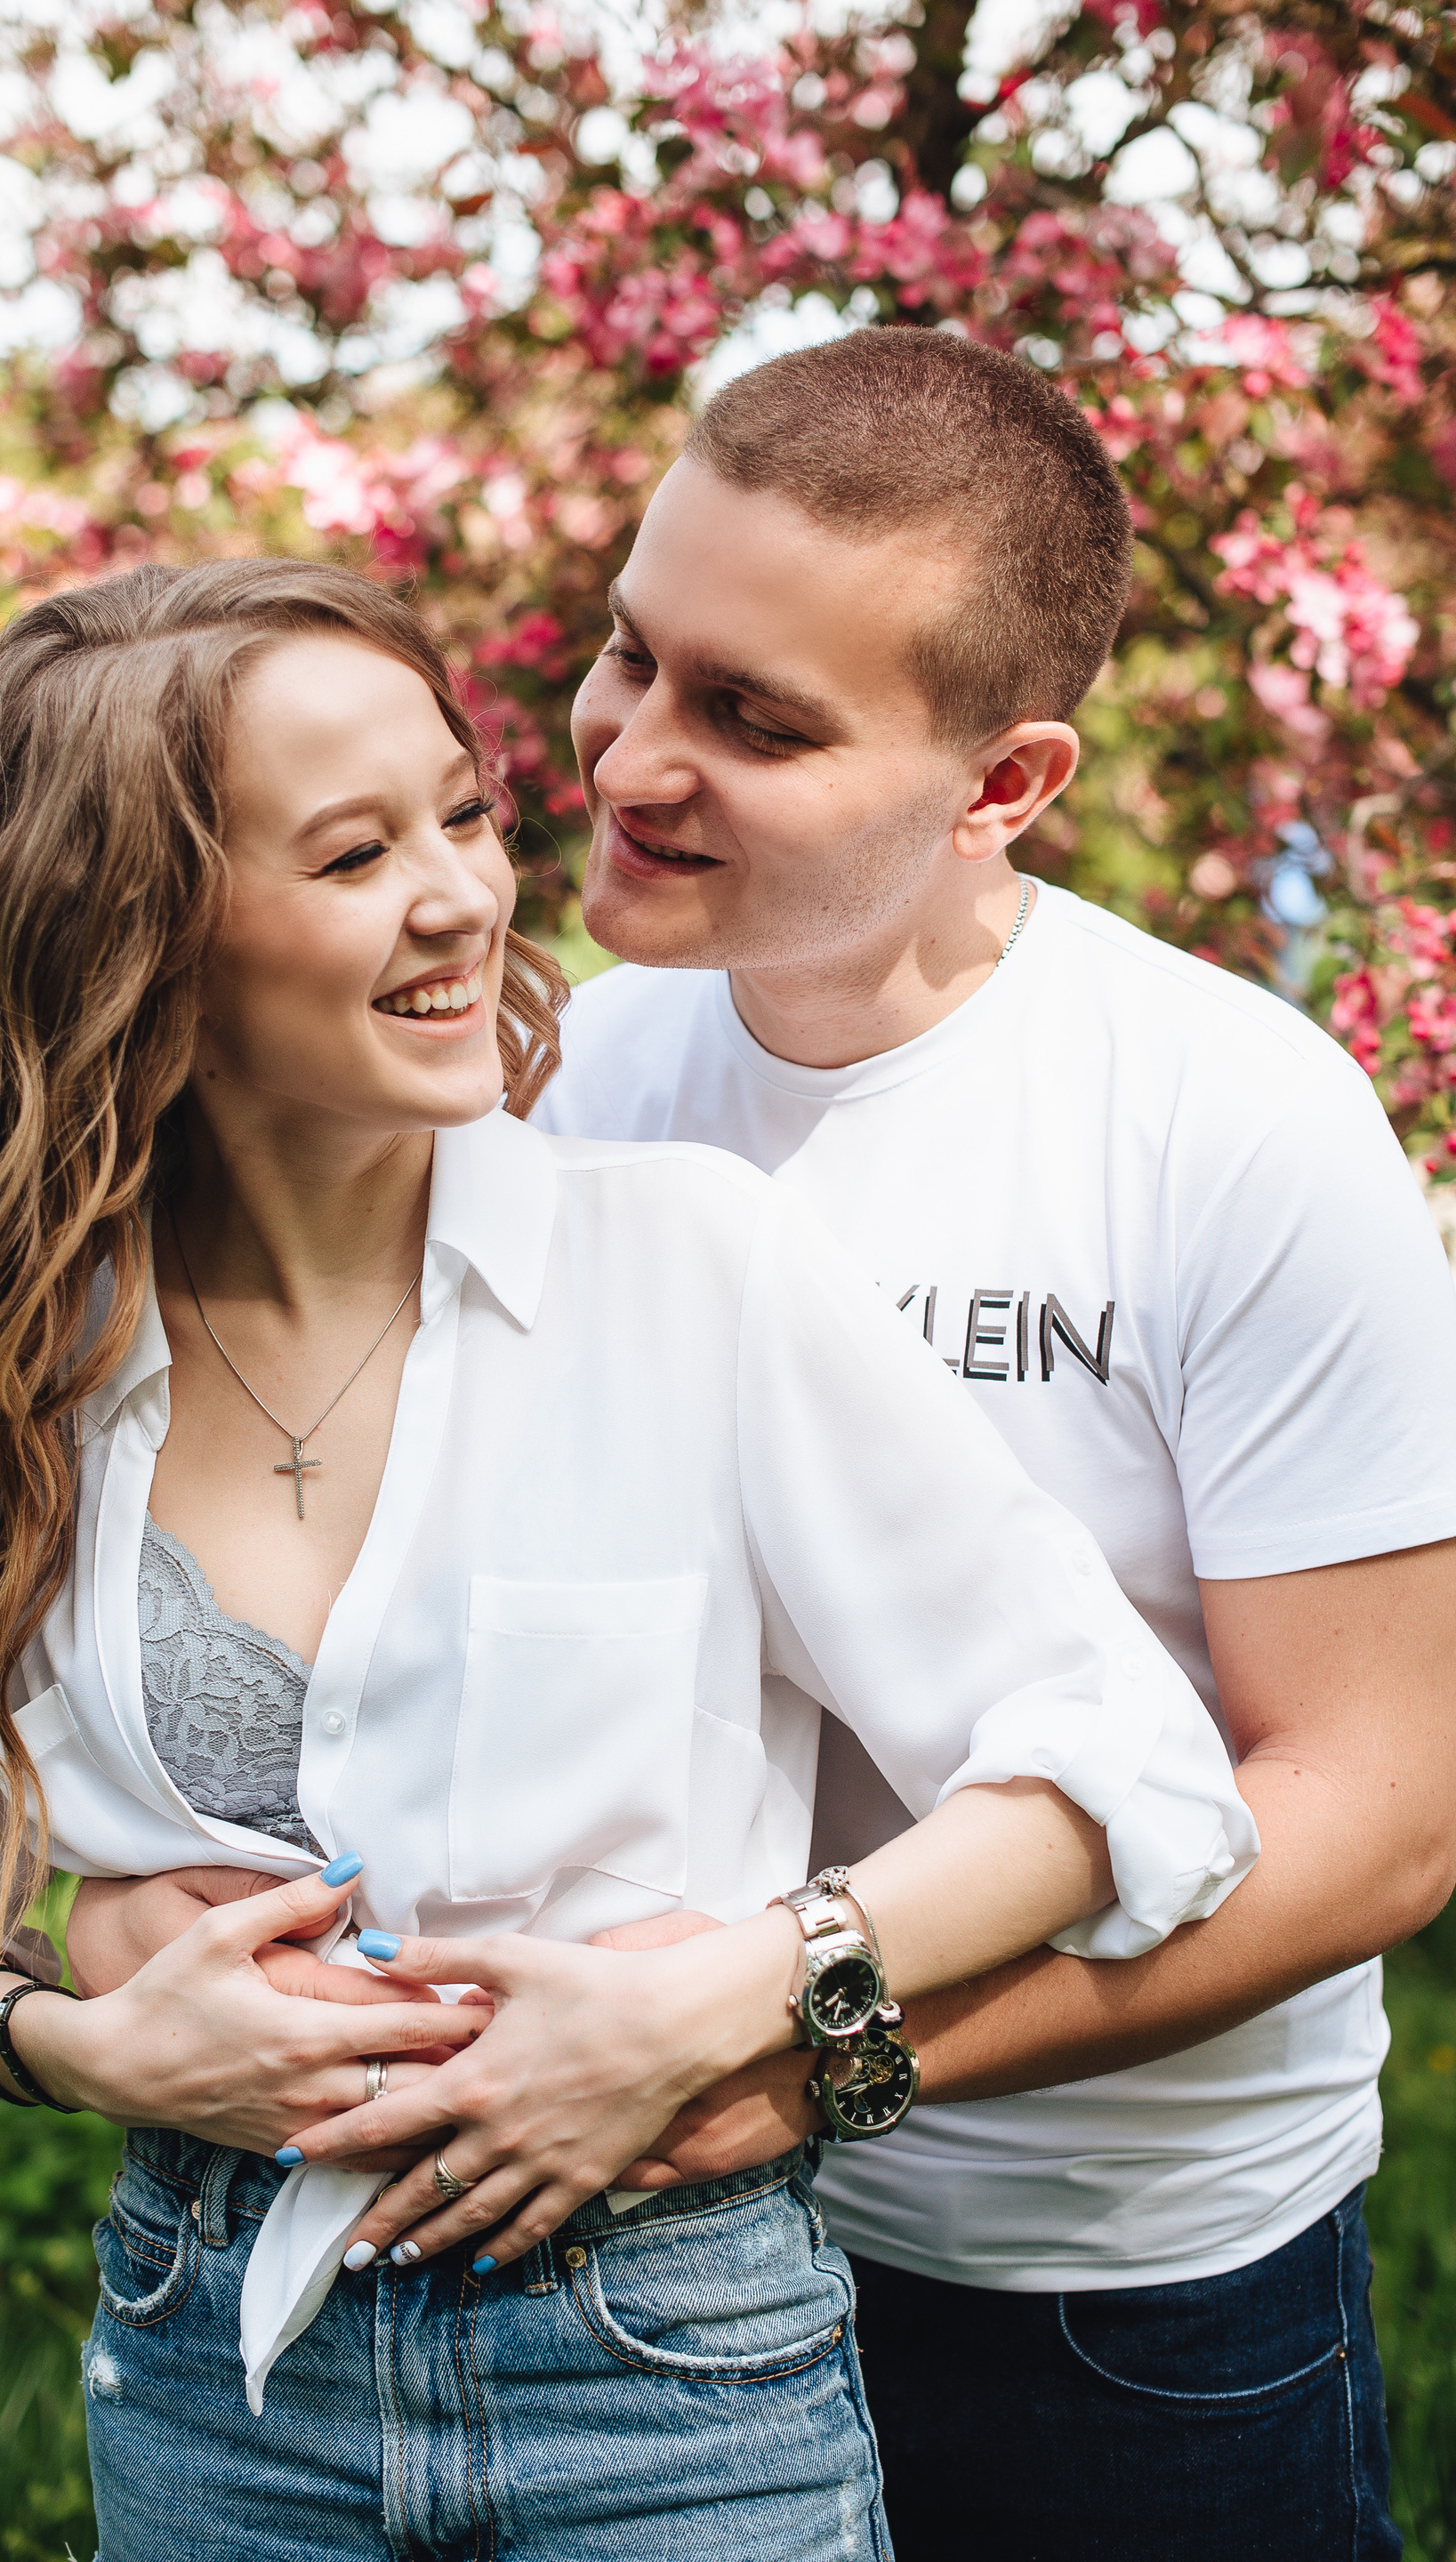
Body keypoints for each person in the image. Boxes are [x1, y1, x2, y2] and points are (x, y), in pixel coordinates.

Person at [0, 557, 1257, 2562]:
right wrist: (95, 2045)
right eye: (354, 854)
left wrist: (742, 1992)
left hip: (662, 2378)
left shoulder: (687, 1267)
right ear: (139, 942)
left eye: (463, 815)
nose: (467, 896)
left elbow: (1120, 1765)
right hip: (217, 2383)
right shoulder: (18, 1363)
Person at [522, 326, 1456, 2561]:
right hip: (646, 2262)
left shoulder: (1233, 1127)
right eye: (633, 654)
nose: (632, 755)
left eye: (754, 720)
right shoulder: (562, 1079)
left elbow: (1378, 1815)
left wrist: (801, 2064)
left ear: (1004, 781)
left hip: (1115, 2307)